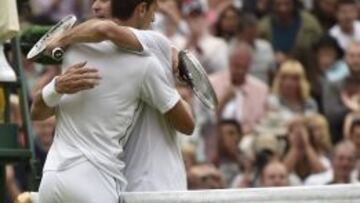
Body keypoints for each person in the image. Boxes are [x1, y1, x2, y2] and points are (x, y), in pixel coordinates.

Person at [31, 0, 194, 202]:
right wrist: (180, 95)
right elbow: (188, 125)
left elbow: (36, 113)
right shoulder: (149, 58)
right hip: (106, 184)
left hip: (52, 178)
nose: (96, 6)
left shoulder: (73, 50)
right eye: (154, 11)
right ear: (141, 9)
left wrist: (55, 84)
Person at [210, 41, 269, 135]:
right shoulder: (212, 83)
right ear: (229, 62)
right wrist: (224, 100)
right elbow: (206, 121)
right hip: (216, 135)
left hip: (250, 138)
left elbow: (263, 122)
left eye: (244, 67)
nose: (240, 71)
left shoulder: (261, 89)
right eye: (236, 66)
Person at [236, 13, 275, 84]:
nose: (252, 38)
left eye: (255, 33)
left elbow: (272, 73)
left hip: (263, 88)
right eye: (249, 34)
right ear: (239, 34)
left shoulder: (266, 47)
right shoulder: (230, 51)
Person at [212, 119, 243, 187]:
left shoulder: (248, 162)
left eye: (232, 133)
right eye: (230, 133)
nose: (235, 137)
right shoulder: (212, 164)